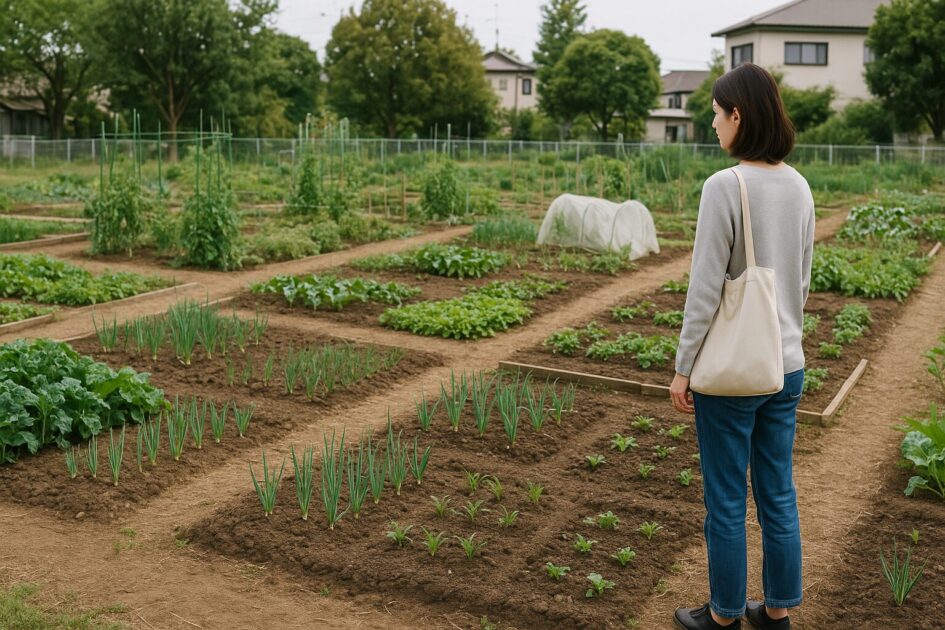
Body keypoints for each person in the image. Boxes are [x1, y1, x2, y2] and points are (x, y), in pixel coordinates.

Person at [669, 63, 815, 630]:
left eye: (715, 112)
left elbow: (705, 288)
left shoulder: (725, 187)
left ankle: (724, 615)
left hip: (733, 373)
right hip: (786, 363)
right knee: (778, 492)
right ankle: (776, 611)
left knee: (726, 500)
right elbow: (800, 281)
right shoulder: (799, 185)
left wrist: (684, 369)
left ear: (739, 115)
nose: (710, 123)